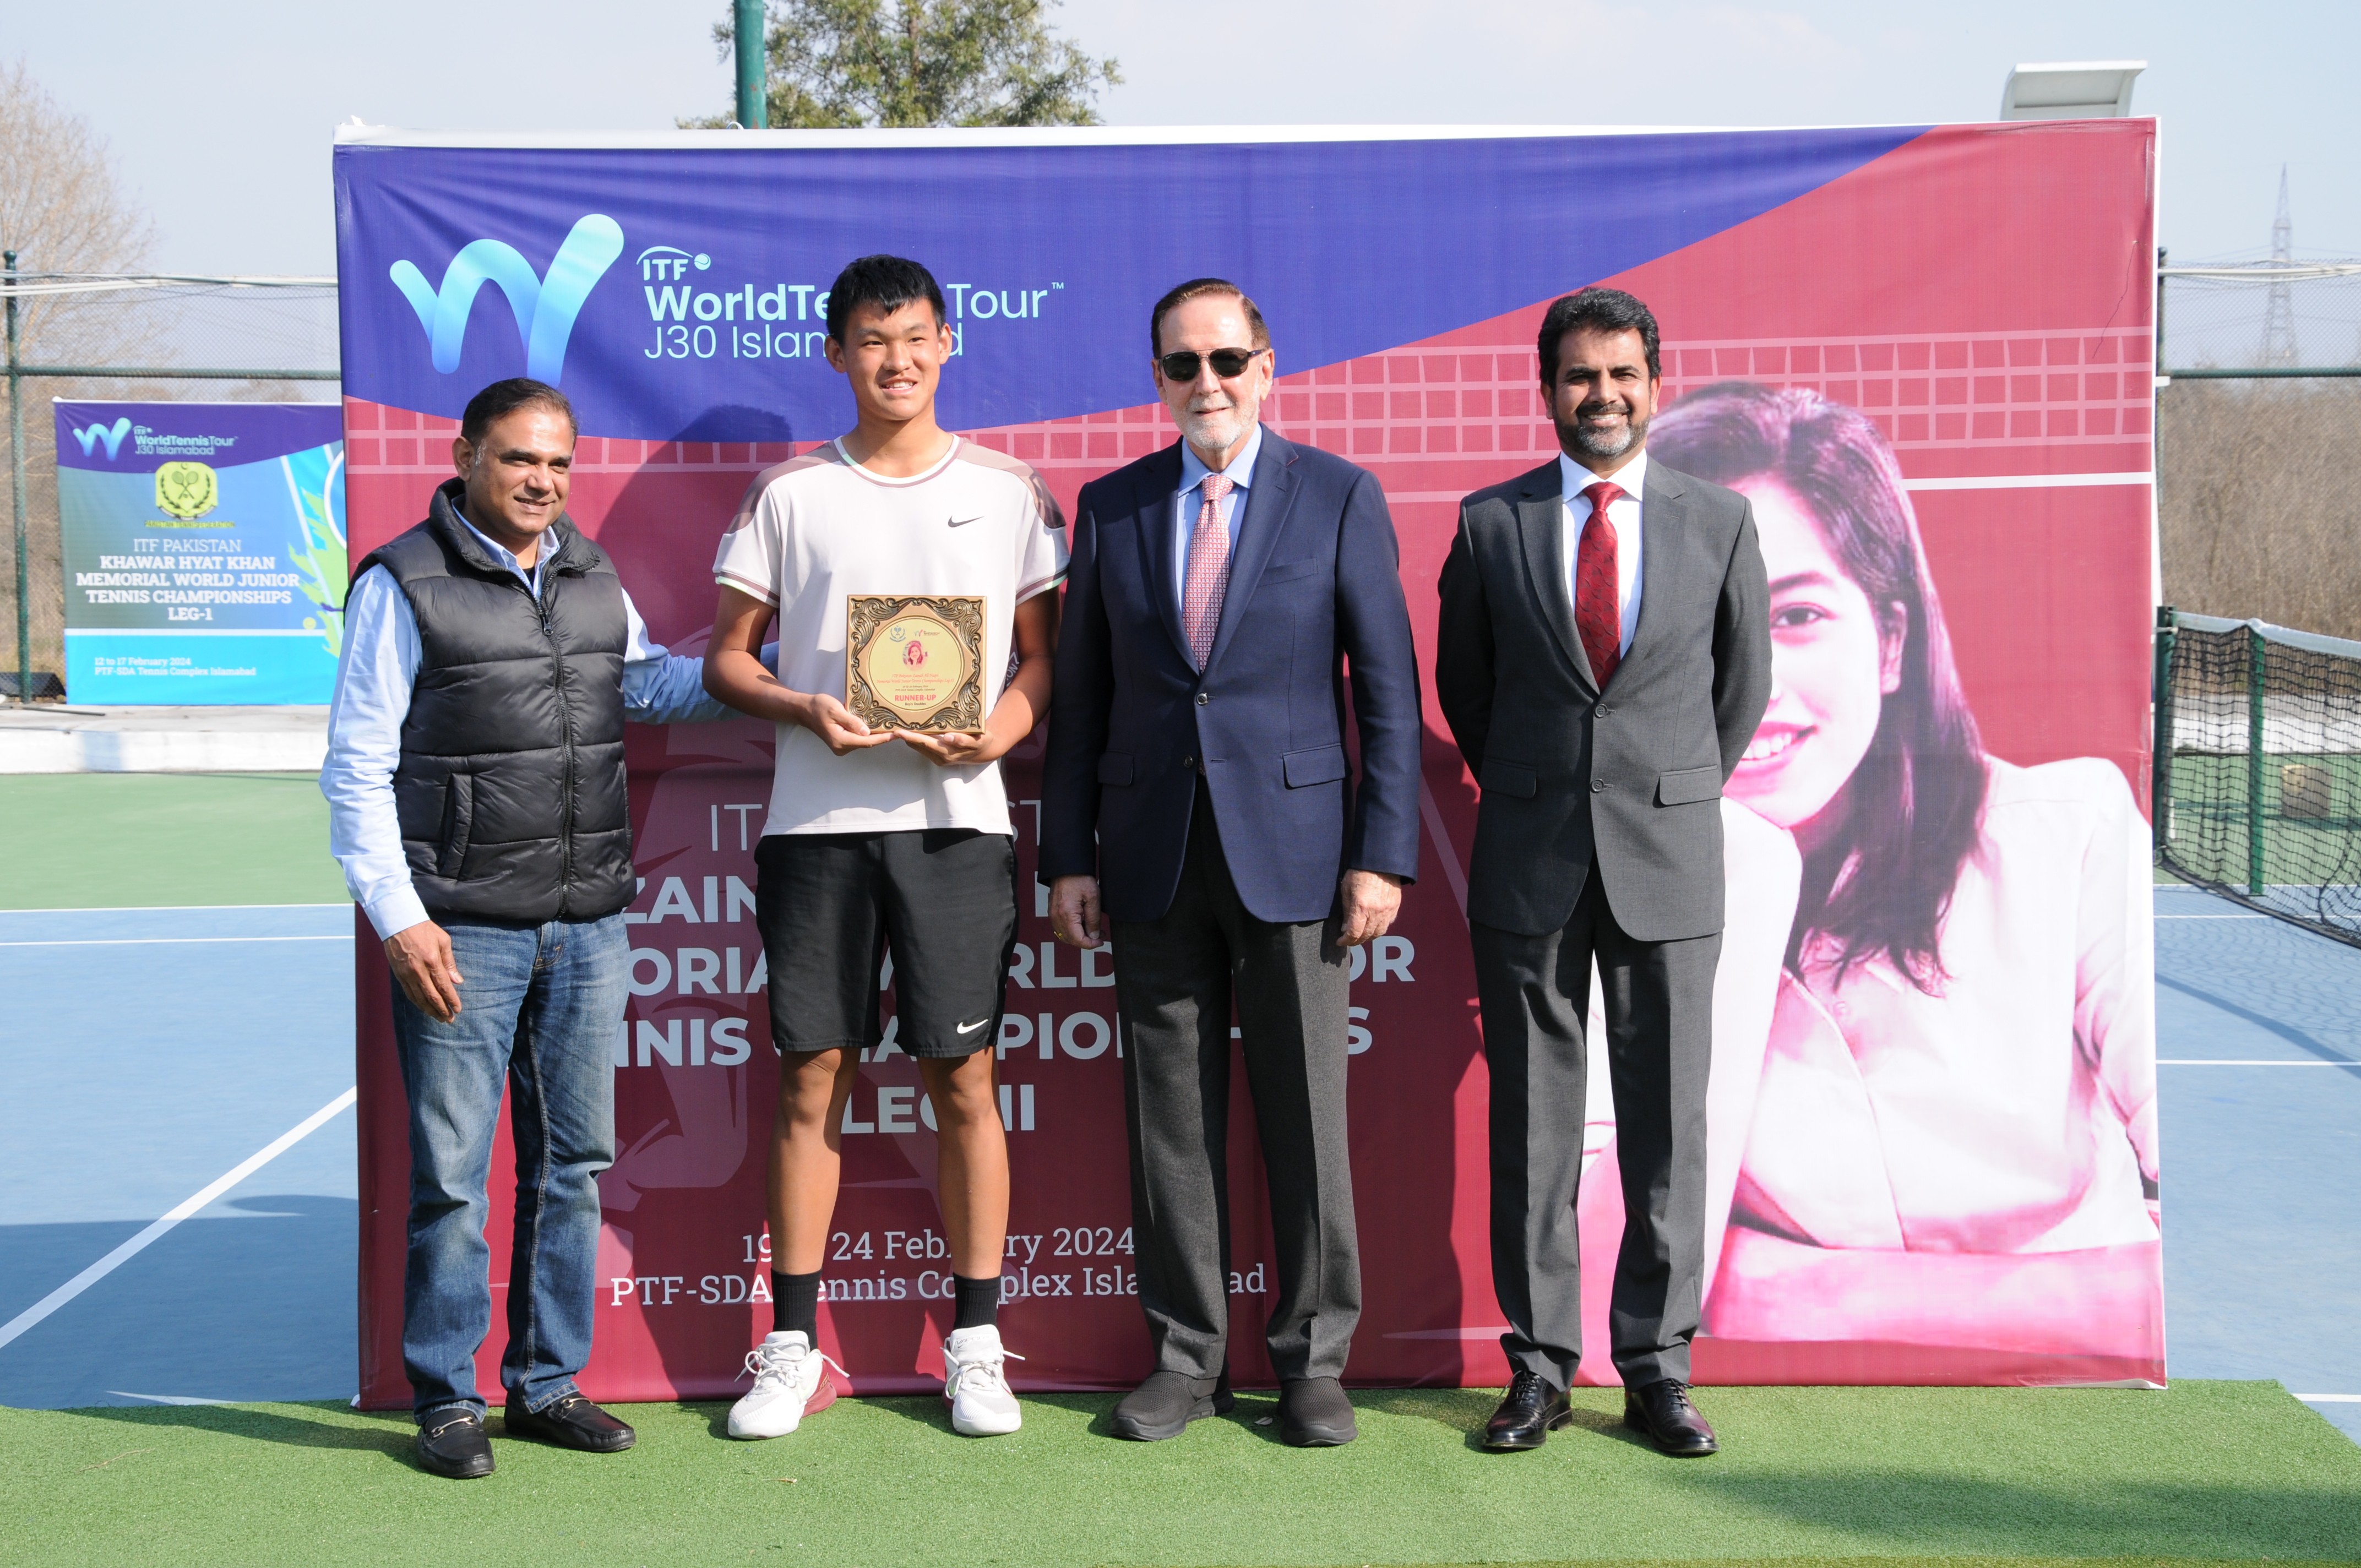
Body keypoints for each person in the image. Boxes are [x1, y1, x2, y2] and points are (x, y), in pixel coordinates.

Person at [1646, 382, 2159, 1358]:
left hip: (2075, 1399)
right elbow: (1647, 1268)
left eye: (1793, 616)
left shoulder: (2068, 835)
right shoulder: (1644, 887)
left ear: (1888, 640)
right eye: (1699, 628)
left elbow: (2155, 1290)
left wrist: (1800, 1295)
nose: (1748, 681)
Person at [323, 376, 753, 1480]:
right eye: (520, 459)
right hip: (461, 929)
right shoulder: (403, 582)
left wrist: (769, 668)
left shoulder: (589, 571)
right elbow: (355, 765)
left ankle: (548, 1382)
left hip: (587, 923)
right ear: (467, 456)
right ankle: (448, 1396)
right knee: (455, 1178)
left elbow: (646, 687)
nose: (542, 482)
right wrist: (400, 916)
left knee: (576, 1164)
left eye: (559, 464)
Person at [1041, 277, 1423, 1447]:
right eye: (1178, 365)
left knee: (1306, 1112)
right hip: (1149, 855)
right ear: (1156, 378)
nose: (1202, 383)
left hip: (1300, 855)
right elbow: (1084, 702)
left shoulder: (1338, 497)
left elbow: (1389, 697)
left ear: (1266, 365)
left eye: (1222, 359)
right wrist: (1066, 857)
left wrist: (1380, 854)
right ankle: (1187, 1356)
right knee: (1168, 1118)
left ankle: (1311, 1358)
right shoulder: (1108, 507)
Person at [703, 255, 1065, 1441]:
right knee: (813, 1075)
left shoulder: (1012, 491)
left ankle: (973, 1341)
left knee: (964, 1078)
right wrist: (806, 707)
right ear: (835, 354)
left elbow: (1039, 661)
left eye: (912, 336)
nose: (894, 358)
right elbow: (727, 659)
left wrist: (996, 733)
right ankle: (792, 1342)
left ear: (948, 342)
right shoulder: (790, 494)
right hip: (817, 827)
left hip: (958, 825)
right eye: (870, 339)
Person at [1435, 287, 1771, 1456]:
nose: (1602, 394)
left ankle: (1657, 1366)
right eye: (1579, 376)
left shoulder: (1717, 520)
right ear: (1547, 390)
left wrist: (1666, 788)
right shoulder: (1490, 526)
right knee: (1528, 1127)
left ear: (1653, 382)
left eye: (1621, 373)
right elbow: (1464, 694)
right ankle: (1537, 1368)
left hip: (1669, 859)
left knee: (1665, 1125)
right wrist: (1539, 787)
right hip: (1529, 859)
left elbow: (1741, 691)